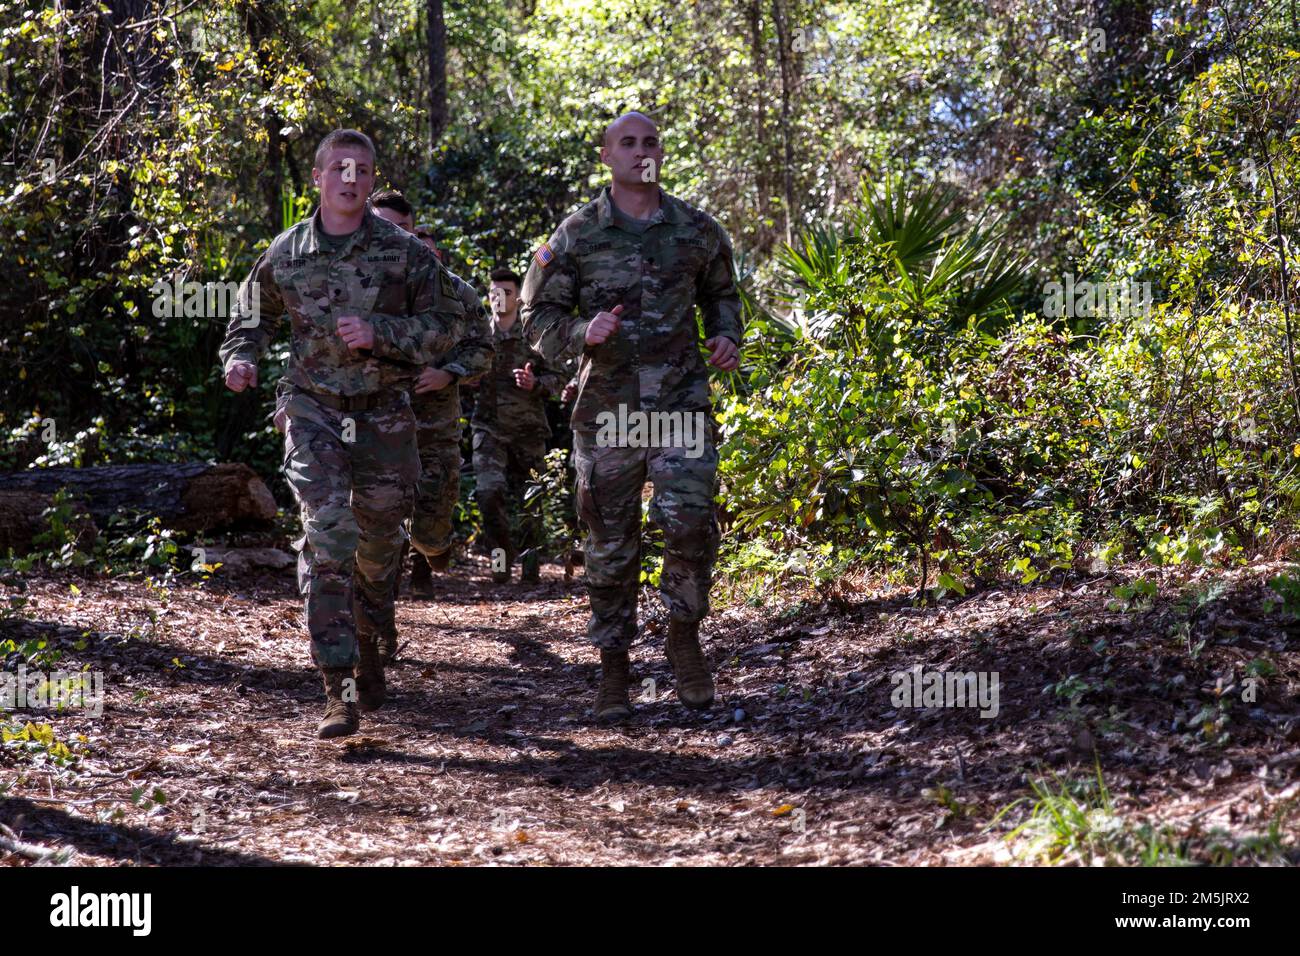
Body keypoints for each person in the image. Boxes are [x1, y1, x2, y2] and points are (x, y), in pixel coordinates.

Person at [219, 129, 465, 739]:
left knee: (379, 549)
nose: (350, 178)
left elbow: (447, 326)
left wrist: (383, 333)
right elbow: (249, 317)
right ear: (319, 177)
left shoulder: (405, 252)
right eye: (339, 168)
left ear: (374, 179)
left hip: (383, 413)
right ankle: (339, 686)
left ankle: (373, 626)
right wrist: (241, 358)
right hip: (313, 410)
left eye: (361, 169)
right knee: (329, 536)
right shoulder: (287, 251)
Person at [520, 111, 742, 721]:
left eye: (650, 142)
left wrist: (726, 337)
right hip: (606, 411)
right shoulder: (574, 235)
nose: (640, 151)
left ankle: (683, 637)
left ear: (660, 154)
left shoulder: (697, 229)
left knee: (691, 523)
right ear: (605, 156)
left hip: (679, 405)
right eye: (628, 142)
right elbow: (535, 316)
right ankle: (613, 665)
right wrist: (579, 333)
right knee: (609, 541)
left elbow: (723, 296)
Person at [369, 191, 494, 595]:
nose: (394, 237)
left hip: (434, 427)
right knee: (373, 533)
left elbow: (483, 350)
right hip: (373, 427)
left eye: (402, 229)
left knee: (429, 528)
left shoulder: (456, 291)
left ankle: (433, 545)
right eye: (384, 227)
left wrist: (448, 372)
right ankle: (375, 635)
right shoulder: (354, 285)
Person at [469, 268, 566, 585]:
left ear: (519, 297)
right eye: (494, 292)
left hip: (528, 431)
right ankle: (500, 561)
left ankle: (529, 567)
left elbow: (560, 379)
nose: (499, 298)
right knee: (488, 494)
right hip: (488, 430)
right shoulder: (478, 335)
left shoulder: (533, 335)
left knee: (532, 501)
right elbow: (457, 373)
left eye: (507, 292)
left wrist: (535, 383)